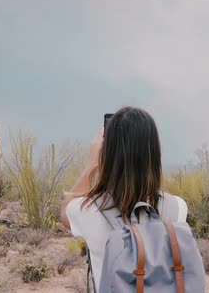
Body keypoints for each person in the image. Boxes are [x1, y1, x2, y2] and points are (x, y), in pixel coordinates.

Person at [60, 106, 188, 293]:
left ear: (108, 153)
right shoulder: (177, 207)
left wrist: (92, 164)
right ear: (153, 152)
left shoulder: (87, 210)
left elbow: (64, 211)